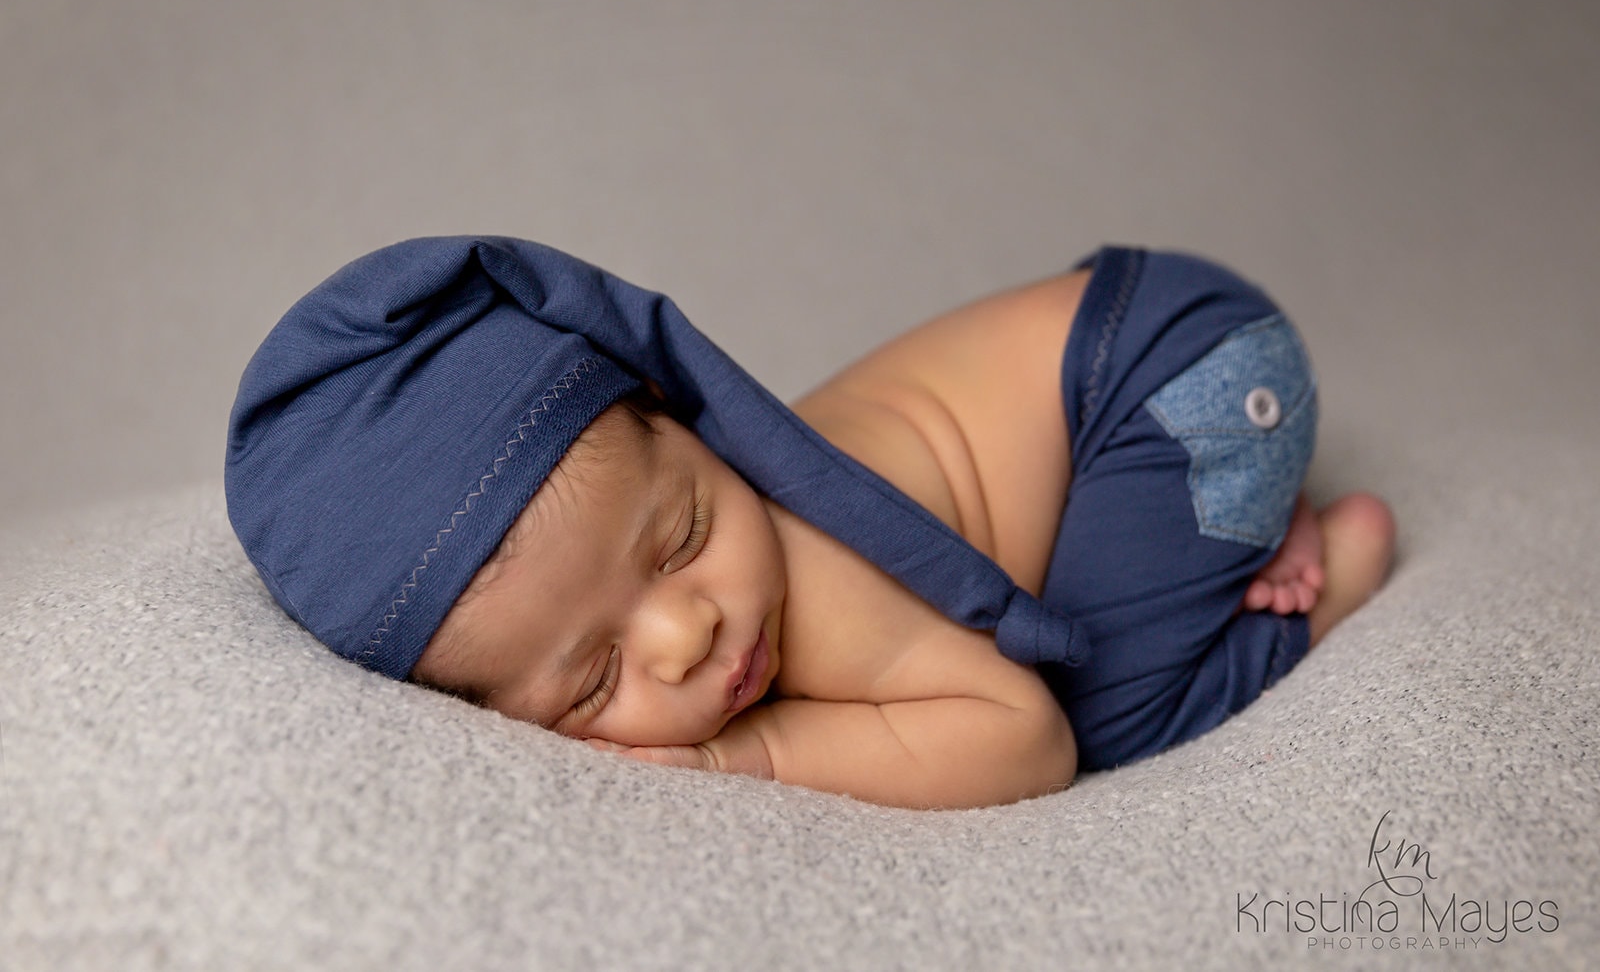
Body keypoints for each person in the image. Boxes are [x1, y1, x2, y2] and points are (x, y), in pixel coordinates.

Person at [226, 237, 1394, 809]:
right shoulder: (693, 525)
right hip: (1133, 341)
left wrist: (755, 752)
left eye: (681, 536)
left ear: (680, 418)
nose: (687, 633)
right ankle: (1210, 526)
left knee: (1113, 715)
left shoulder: (816, 568)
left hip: (1179, 381)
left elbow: (1024, 741)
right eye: (592, 678)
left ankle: (1319, 564)